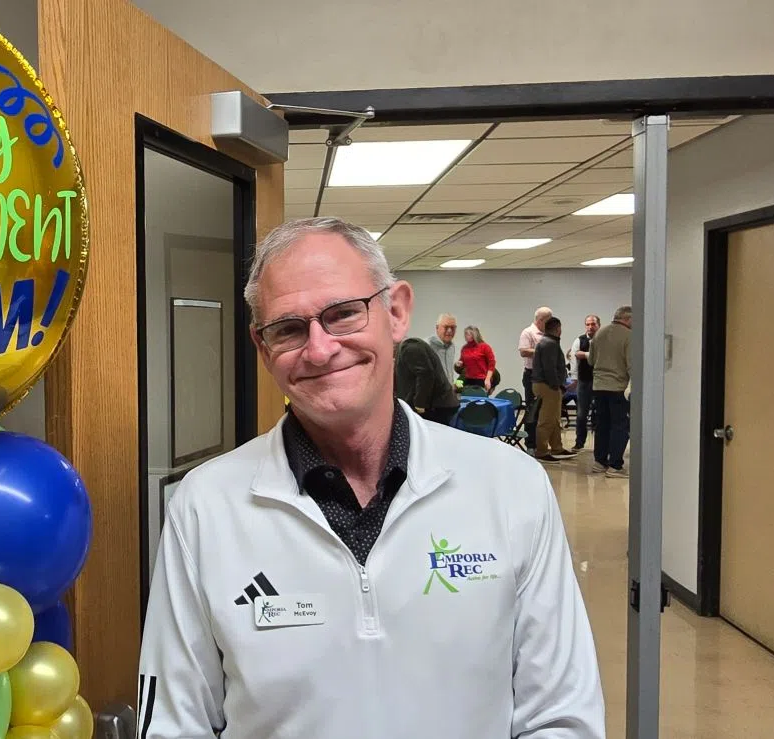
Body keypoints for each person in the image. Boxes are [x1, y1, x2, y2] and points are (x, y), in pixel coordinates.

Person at [137, 217, 603, 739]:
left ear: (397, 311)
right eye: (288, 328)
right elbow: (173, 725)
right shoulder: (206, 507)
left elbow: (562, 716)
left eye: (342, 314)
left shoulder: (510, 486)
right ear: (263, 348)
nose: (318, 349)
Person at [589, 305, 633, 477]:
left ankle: (599, 462)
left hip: (598, 386)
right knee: (620, 426)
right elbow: (632, 364)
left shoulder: (599, 333)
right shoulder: (629, 336)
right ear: (628, 319)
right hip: (618, 388)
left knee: (602, 425)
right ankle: (615, 465)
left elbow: (591, 360)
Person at [531, 316, 574, 461]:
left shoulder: (548, 342)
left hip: (546, 385)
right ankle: (542, 451)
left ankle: (557, 447)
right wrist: (557, 385)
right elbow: (550, 368)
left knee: (555, 418)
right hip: (547, 385)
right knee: (547, 420)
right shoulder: (549, 344)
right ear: (558, 329)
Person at [395, 336, 459, 424]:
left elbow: (425, 374)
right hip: (436, 404)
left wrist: (419, 405)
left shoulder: (409, 347)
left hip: (437, 406)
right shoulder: (408, 348)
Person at [517, 307, 552, 450]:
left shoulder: (548, 334)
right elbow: (523, 351)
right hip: (532, 376)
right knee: (533, 411)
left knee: (545, 412)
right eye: (549, 320)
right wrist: (542, 350)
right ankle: (530, 444)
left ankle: (542, 444)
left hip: (546, 377)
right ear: (540, 320)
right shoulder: (528, 332)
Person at [568, 314, 600, 449]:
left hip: (600, 382)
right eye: (588, 324)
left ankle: (600, 445)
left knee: (599, 414)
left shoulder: (603, 340)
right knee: (581, 414)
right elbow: (574, 360)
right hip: (584, 381)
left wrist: (585, 354)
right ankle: (579, 443)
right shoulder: (579, 340)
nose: (590, 327)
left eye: (593, 324)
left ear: (598, 325)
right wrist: (574, 379)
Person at [427, 313, 457, 382]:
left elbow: (449, 371)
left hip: (448, 391)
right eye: (446, 327)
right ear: (437, 328)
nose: (450, 331)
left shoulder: (452, 347)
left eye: (453, 327)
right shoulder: (427, 345)